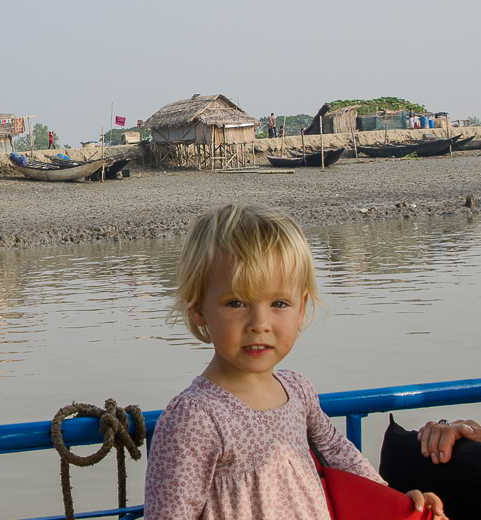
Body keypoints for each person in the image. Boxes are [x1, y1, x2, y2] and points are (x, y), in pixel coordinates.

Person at [144, 204, 445, 520]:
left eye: (278, 303)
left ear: (301, 309)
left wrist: (396, 501)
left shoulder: (298, 390)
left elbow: (342, 456)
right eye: (236, 303)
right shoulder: (195, 419)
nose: (260, 323)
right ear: (198, 307)